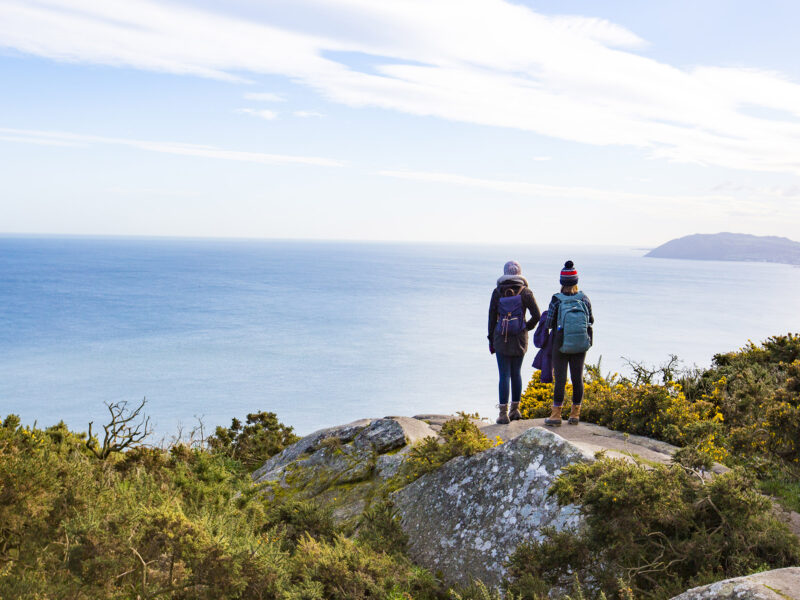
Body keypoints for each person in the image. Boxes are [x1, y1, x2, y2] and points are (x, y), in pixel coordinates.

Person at [488, 261, 541, 424]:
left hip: (500, 337)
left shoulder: (497, 292)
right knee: (516, 373)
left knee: (504, 375)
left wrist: (491, 338)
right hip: (519, 338)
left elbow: (491, 317)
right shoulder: (526, 292)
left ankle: (503, 414)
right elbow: (537, 315)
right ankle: (515, 411)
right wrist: (525, 327)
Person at [543, 260, 594, 426]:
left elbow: (549, 323)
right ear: (576, 281)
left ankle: (556, 415)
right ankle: (574, 414)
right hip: (580, 343)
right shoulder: (584, 298)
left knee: (560, 379)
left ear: (561, 282)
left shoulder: (557, 299)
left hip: (561, 343)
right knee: (577, 378)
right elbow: (591, 320)